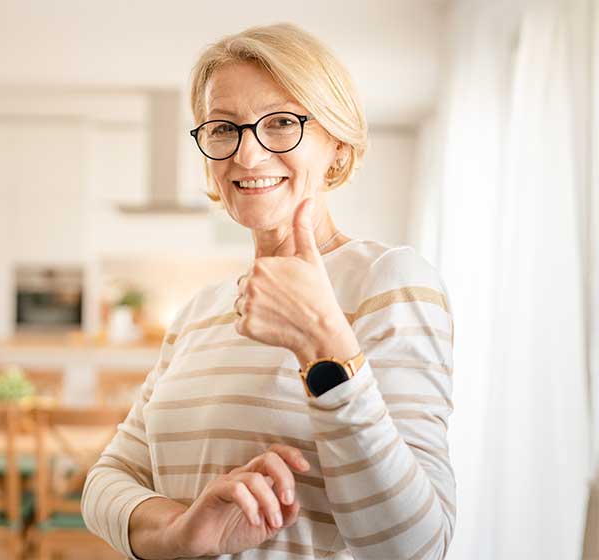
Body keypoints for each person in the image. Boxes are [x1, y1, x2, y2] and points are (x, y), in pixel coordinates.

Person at [82, 22, 455, 559]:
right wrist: (183, 531)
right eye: (223, 128)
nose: (248, 155)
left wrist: (322, 343)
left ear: (337, 144)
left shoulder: (390, 282)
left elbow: (417, 546)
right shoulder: (198, 313)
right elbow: (106, 481)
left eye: (281, 123)